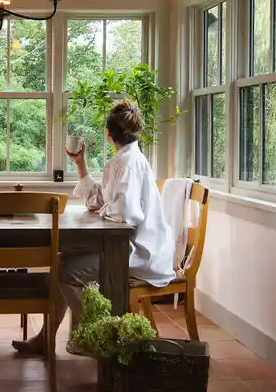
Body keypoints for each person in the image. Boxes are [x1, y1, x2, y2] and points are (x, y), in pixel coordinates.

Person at [12, 99, 175, 355]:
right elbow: (101, 199)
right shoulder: (123, 160)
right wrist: (80, 163)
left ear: (108, 133)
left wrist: (103, 209)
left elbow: (125, 214)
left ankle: (99, 336)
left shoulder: (129, 163)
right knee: (61, 261)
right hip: (126, 246)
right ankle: (49, 338)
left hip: (136, 252)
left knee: (66, 269)